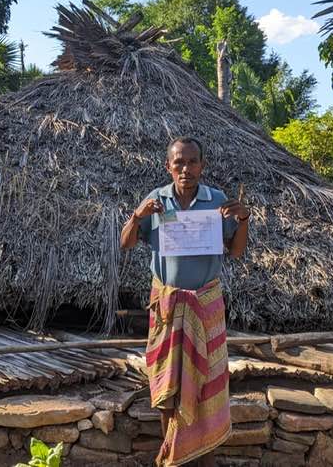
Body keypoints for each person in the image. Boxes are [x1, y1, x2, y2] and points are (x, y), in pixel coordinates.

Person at [120, 137, 250, 467]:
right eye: (179, 163)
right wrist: (137, 216)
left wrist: (244, 220)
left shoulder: (217, 201)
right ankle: (174, 458)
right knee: (167, 387)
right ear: (169, 167)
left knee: (208, 388)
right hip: (166, 306)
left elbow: (235, 251)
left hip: (206, 305)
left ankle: (204, 457)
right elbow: (125, 244)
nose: (185, 169)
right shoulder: (156, 200)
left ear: (201, 167)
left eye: (192, 162)